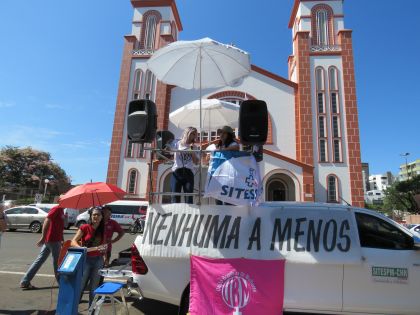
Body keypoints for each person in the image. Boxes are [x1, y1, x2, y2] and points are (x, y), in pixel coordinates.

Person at [20, 206, 64, 289]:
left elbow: (59, 227)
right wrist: (43, 237)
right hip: (52, 240)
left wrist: (62, 239)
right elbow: (47, 220)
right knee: (57, 262)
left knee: (40, 260)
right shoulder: (56, 209)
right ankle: (61, 283)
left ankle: (25, 281)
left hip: (55, 240)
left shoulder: (62, 210)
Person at [71, 207, 107, 306]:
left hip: (98, 260)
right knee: (81, 285)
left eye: (98, 215)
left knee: (94, 287)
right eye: (94, 214)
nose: (96, 216)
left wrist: (104, 251)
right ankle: (74, 308)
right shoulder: (84, 227)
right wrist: (81, 248)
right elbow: (73, 241)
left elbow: (103, 245)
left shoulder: (103, 229)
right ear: (90, 216)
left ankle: (92, 310)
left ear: (101, 217)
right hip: (86, 260)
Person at [171, 127, 199, 204]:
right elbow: (169, 151)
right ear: (187, 133)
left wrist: (192, 150)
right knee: (175, 196)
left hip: (188, 173)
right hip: (177, 171)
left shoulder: (194, 147)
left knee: (189, 197)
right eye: (193, 134)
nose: (194, 136)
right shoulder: (177, 143)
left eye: (195, 134)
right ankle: (174, 214)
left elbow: (196, 162)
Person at [214, 126, 239, 205]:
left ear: (229, 135)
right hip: (219, 174)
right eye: (220, 133)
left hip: (230, 174)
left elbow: (236, 147)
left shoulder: (233, 143)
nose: (221, 135)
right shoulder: (219, 145)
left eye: (224, 133)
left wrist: (223, 150)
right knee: (218, 198)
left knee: (229, 198)